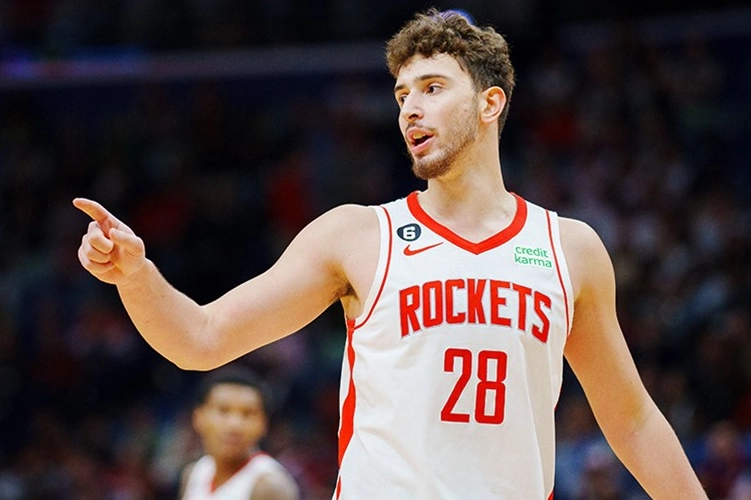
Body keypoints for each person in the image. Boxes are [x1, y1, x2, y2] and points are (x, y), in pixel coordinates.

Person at [74, 8, 708, 500]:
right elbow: (202, 338)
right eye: (403, 94)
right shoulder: (357, 235)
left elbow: (631, 421)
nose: (411, 109)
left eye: (432, 88)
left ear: (489, 103)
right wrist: (136, 275)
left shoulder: (570, 248)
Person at [179, 365, 300, 500]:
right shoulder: (195, 472)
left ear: (264, 423)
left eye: (247, 413)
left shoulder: (270, 487)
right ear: (198, 417)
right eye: (223, 411)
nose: (235, 425)